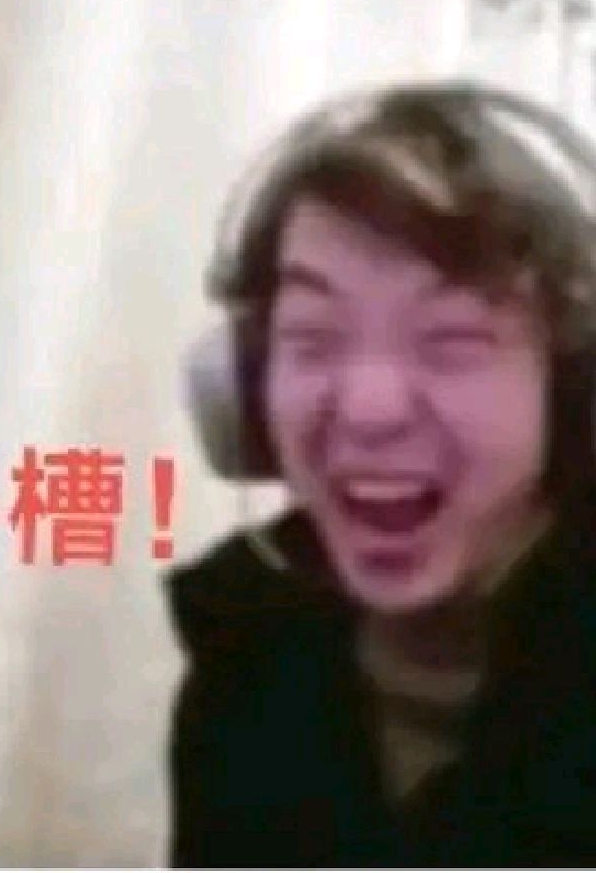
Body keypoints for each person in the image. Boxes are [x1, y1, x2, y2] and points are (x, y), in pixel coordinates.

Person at [168, 82, 596, 867]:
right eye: (313, 338)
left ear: (571, 391)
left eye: (453, 341)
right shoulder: (249, 655)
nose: (369, 410)